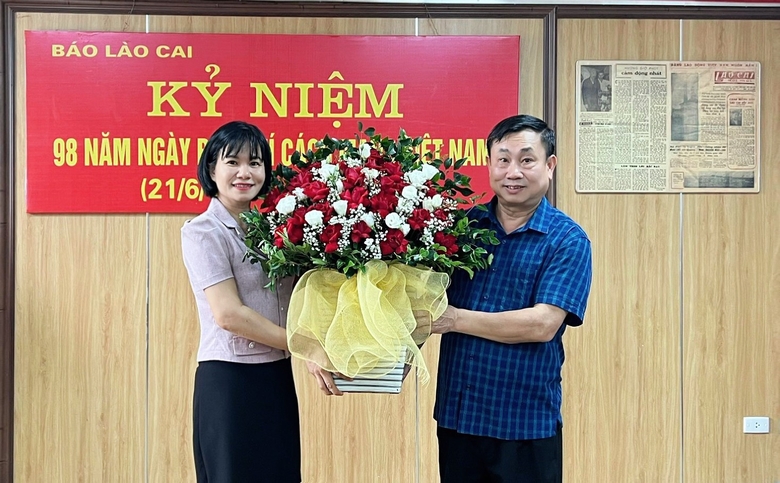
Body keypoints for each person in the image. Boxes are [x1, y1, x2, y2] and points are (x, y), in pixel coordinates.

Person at [431, 115, 592, 483]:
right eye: (502, 160)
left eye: (526, 159)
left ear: (549, 165)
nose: (513, 171)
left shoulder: (567, 240)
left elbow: (542, 324)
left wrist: (455, 319)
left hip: (524, 425)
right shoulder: (462, 229)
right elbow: (425, 300)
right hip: (459, 418)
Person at [181, 120, 331, 483]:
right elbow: (229, 315)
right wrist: (306, 346)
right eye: (232, 162)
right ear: (211, 170)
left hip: (275, 378)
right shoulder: (203, 231)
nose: (245, 172)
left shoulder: (272, 230)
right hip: (230, 383)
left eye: (255, 162)